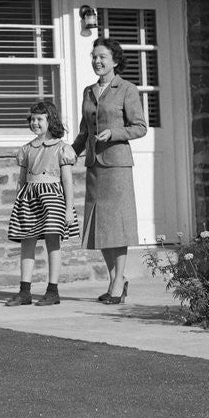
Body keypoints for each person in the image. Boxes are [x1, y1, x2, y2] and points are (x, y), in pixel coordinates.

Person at [72, 37, 147, 305]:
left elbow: (140, 127)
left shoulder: (127, 89)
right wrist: (71, 152)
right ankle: (116, 279)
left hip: (117, 166)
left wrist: (114, 133)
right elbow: (84, 131)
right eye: (94, 56)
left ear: (115, 60)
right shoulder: (88, 91)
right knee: (101, 228)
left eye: (102, 56)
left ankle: (117, 283)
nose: (97, 61)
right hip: (94, 166)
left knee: (117, 226)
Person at [4, 101, 78, 306]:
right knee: (27, 241)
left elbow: (67, 181)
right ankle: (24, 291)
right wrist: (19, 199)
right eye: (33, 119)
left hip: (52, 198)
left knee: (53, 242)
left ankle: (53, 291)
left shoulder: (62, 149)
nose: (35, 123)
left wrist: (69, 209)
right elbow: (21, 179)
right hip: (29, 198)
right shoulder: (27, 149)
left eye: (40, 119)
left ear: (50, 120)